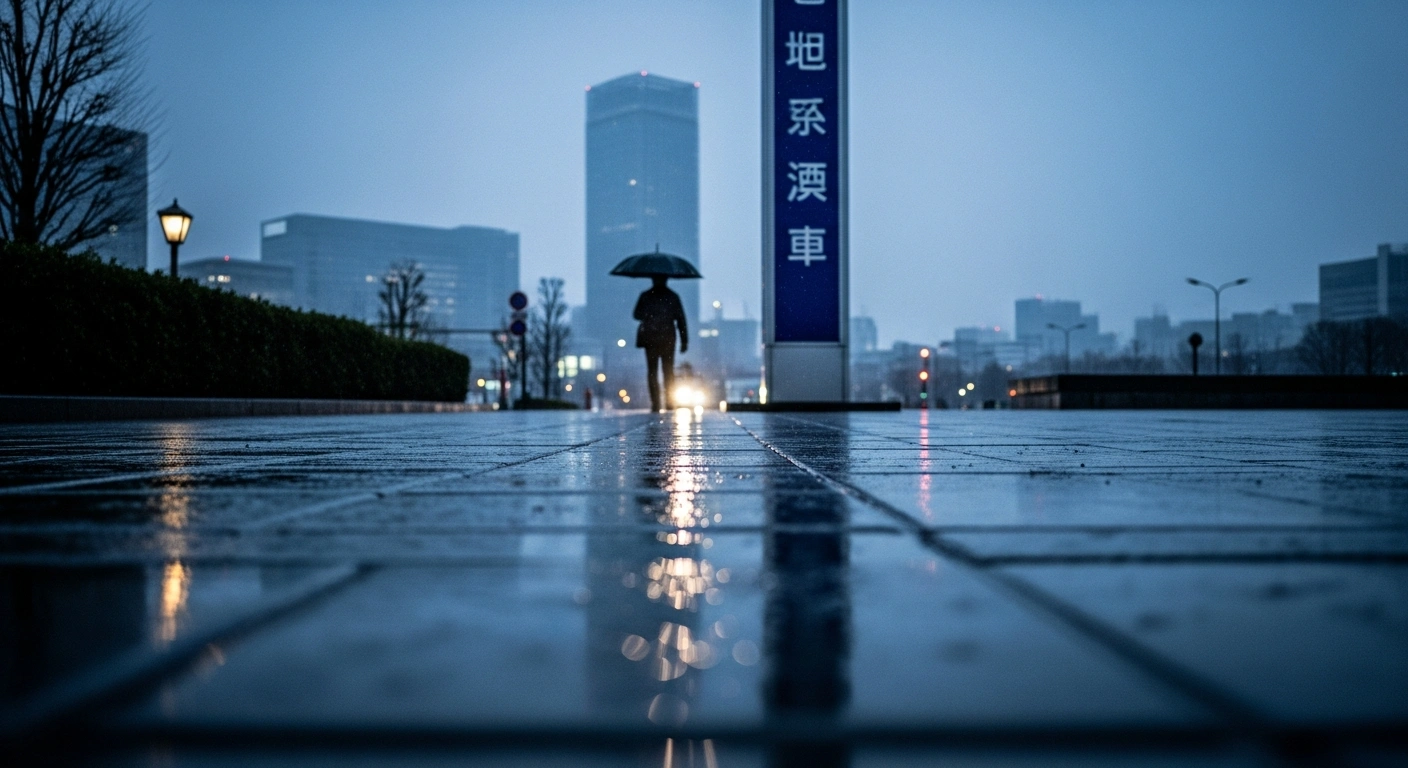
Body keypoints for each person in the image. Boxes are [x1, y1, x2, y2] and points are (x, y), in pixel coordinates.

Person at [633, 275, 688, 412]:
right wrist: (684, 340)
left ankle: (656, 403)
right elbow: (681, 319)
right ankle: (669, 402)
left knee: (652, 371)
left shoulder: (646, 296)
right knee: (668, 371)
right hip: (667, 338)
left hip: (651, 337)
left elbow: (636, 314)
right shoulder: (672, 297)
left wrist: (648, 315)